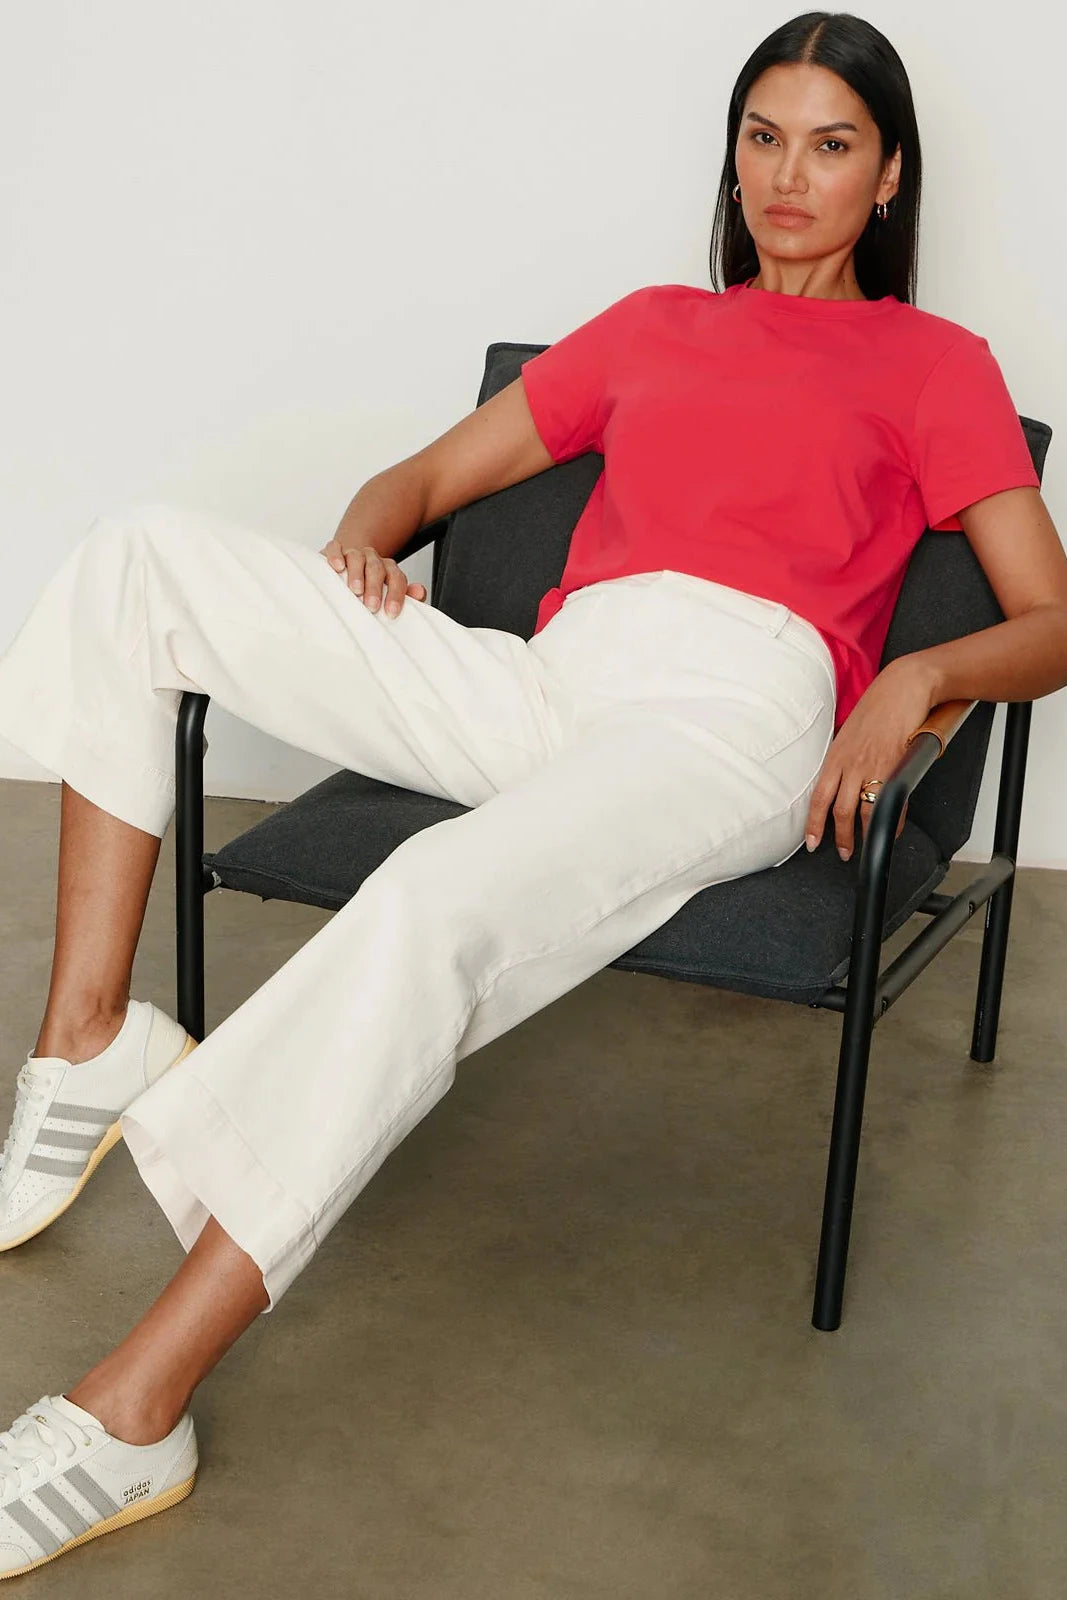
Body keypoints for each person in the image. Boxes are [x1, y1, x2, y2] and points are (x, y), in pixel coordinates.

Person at [0, 9, 1064, 1579]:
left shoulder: (933, 364)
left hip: (729, 722)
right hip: (549, 679)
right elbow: (423, 484)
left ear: (890, 176)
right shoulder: (650, 325)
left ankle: (134, 1406)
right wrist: (367, 541)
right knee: (139, 557)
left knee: (429, 899)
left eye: (832, 144)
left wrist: (911, 679)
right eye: (764, 137)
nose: (789, 176)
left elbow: (1053, 618)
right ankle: (90, 1038)